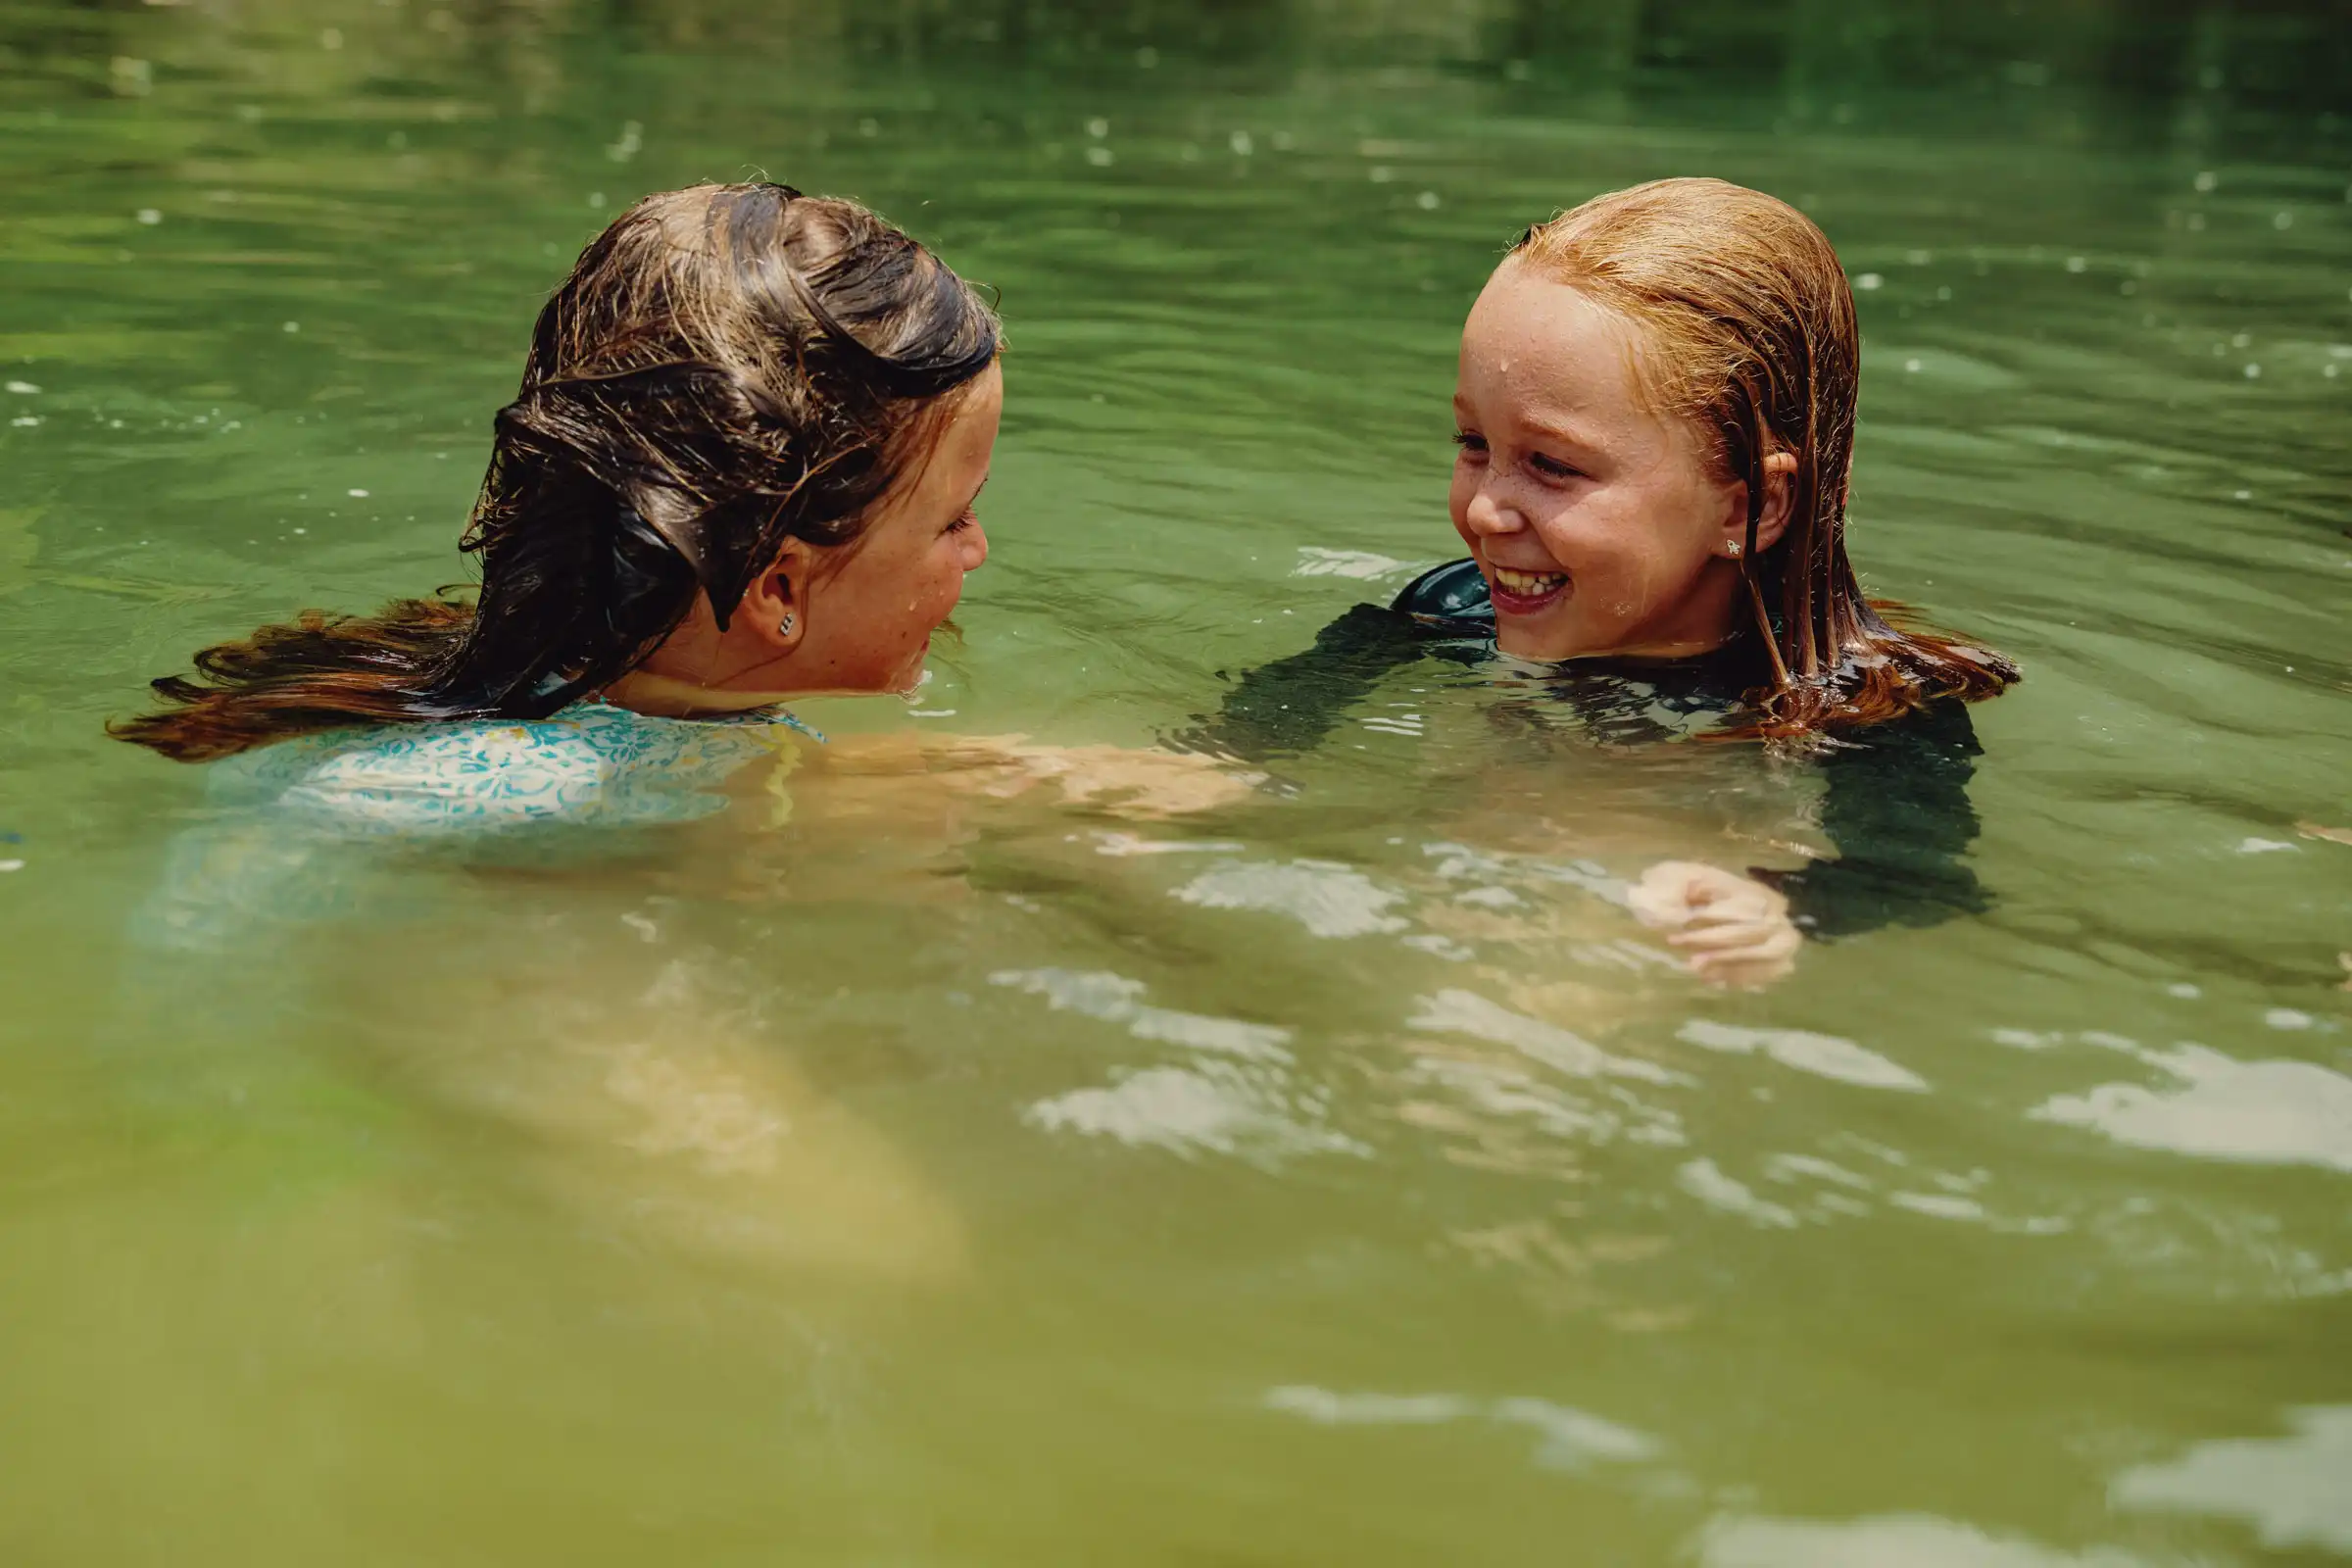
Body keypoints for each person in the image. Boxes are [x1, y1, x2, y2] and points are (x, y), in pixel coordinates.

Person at [1180, 177, 2020, 977]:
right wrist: (1215, 760)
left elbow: (1918, 879)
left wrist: (1781, 905)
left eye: (1550, 465)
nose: (1485, 513)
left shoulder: (1878, 708)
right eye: (1474, 446)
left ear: (1749, 507)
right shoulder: (1456, 608)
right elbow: (1303, 695)